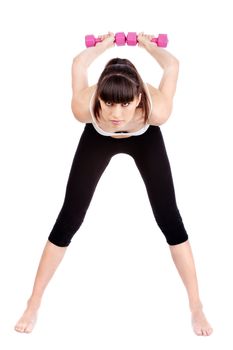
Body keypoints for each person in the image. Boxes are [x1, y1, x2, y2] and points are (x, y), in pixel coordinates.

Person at [15, 32, 213, 336]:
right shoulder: (84, 106)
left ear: (139, 98)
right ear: (99, 98)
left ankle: (196, 305)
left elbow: (172, 66)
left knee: (169, 219)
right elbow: (79, 64)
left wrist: (148, 46)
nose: (116, 114)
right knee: (69, 218)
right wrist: (104, 45)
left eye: (125, 105)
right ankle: (33, 302)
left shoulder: (156, 110)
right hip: (97, 138)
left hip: (144, 138)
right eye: (108, 103)